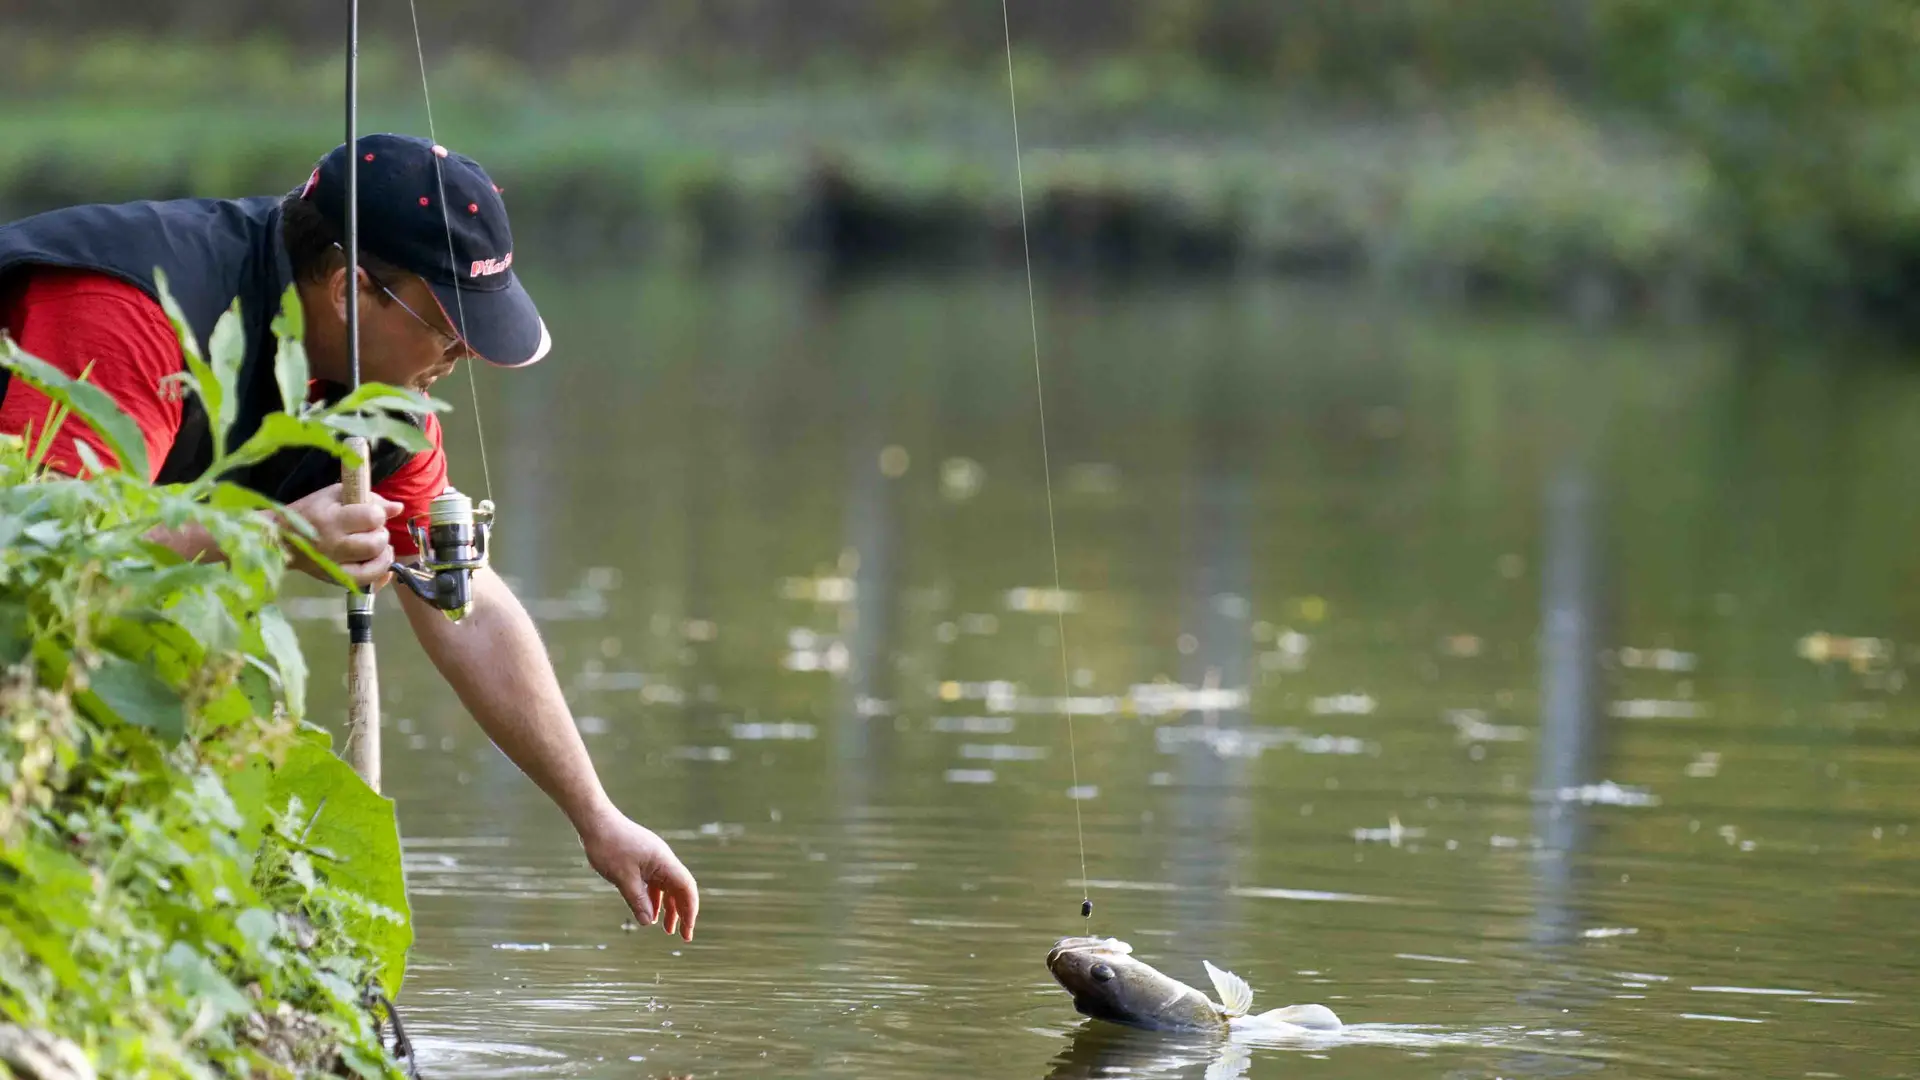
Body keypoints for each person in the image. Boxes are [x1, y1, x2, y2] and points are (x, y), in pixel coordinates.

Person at [0, 133, 699, 941]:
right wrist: (264, 534)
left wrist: (598, 816)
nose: (465, 354)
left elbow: (463, 605)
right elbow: (34, 547)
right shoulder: (129, 314)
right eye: (448, 325)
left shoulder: (387, 395)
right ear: (348, 288)